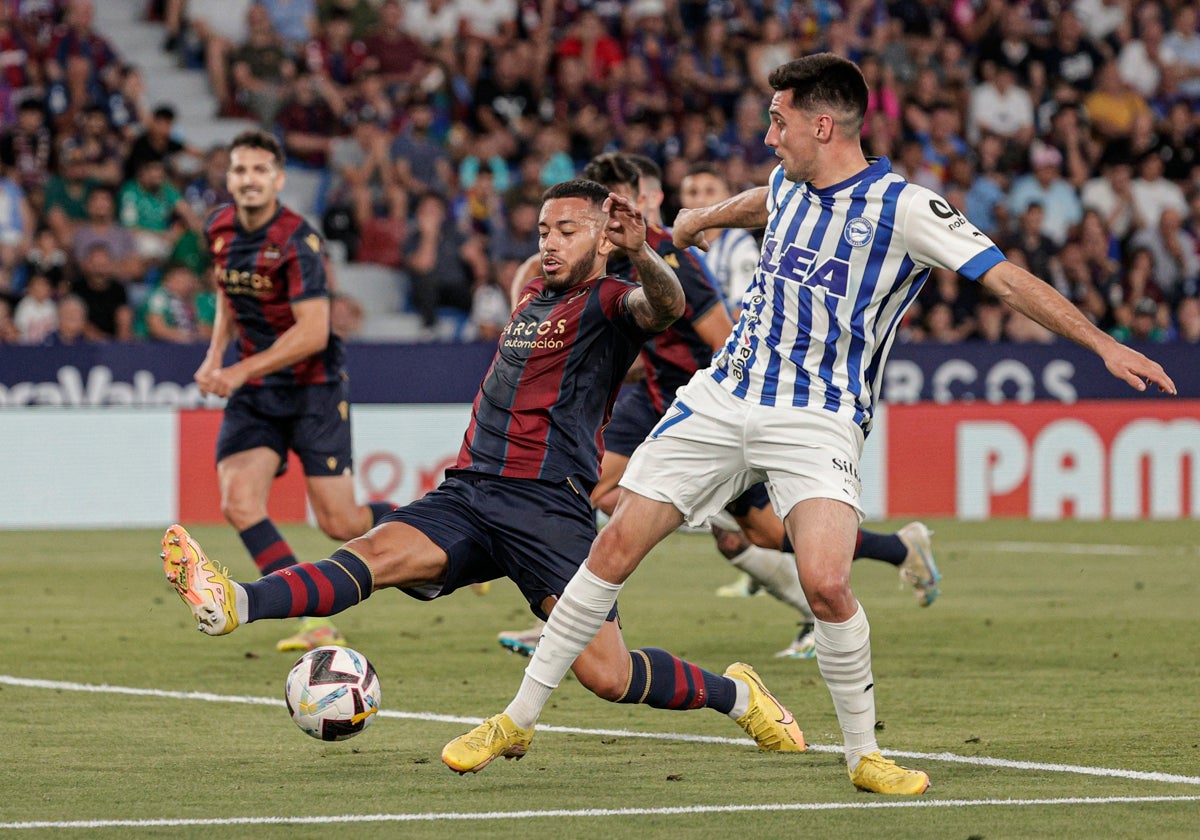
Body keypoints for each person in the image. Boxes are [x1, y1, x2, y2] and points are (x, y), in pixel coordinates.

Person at [445, 53, 1176, 794]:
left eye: (778, 119)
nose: (769, 135)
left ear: (821, 124)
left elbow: (1008, 277)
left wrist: (1103, 343)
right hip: (725, 395)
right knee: (615, 547)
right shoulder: (787, 186)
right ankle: (518, 717)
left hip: (818, 415)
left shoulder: (906, 209)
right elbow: (757, 203)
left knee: (826, 582)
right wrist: (696, 221)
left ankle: (864, 756)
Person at [163, 177, 808, 767]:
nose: (550, 244)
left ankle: (736, 696)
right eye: (543, 232)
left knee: (609, 677)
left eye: (567, 231)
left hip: (548, 510)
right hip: (471, 491)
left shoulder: (613, 302)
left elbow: (663, 307)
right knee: (371, 553)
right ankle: (235, 602)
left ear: (602, 236)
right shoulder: (531, 295)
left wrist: (640, 253)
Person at [497, 154, 940, 662]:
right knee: (594, 489)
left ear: (639, 201)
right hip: (654, 400)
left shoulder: (671, 259)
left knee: (766, 533)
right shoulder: (609, 259)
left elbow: (722, 336)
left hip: (710, 403)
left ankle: (896, 551)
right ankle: (569, 614)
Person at [191, 128, 396, 652]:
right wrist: (216, 355)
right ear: (229, 178)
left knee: (339, 522)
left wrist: (237, 371)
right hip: (258, 390)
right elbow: (227, 293)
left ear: (278, 180)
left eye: (261, 170)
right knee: (239, 502)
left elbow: (313, 332)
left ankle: (431, 530)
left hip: (313, 388)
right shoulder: (217, 227)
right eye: (241, 170)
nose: (250, 179)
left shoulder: (298, 240)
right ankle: (313, 622)